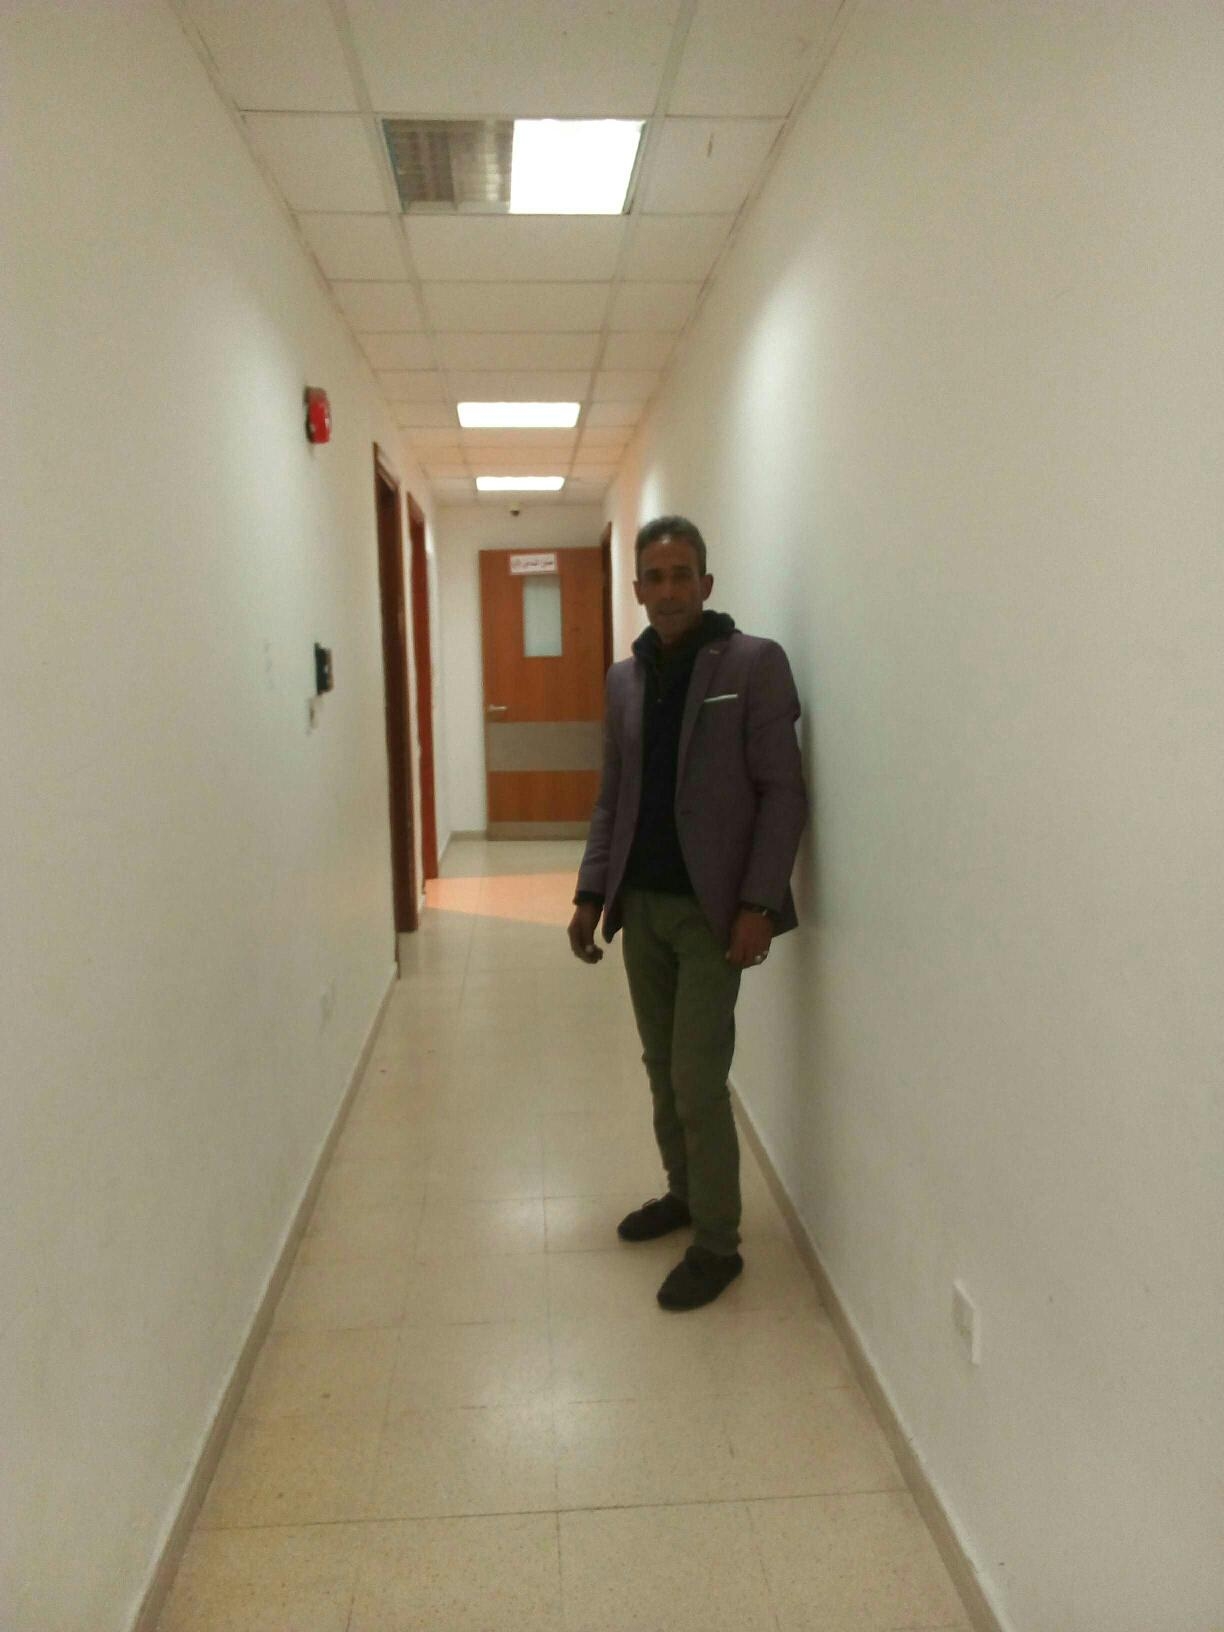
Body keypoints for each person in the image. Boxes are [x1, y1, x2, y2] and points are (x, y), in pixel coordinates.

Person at [567, 515, 808, 1310]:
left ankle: (718, 1243)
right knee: (659, 1065)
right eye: (655, 577)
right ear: (637, 589)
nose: (668, 590)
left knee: (697, 1077)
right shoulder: (623, 680)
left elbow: (783, 793)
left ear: (705, 584)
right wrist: (591, 892)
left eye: (682, 575)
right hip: (642, 906)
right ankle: (683, 1192)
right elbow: (614, 797)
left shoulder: (754, 663)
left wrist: (759, 903)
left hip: (714, 912)